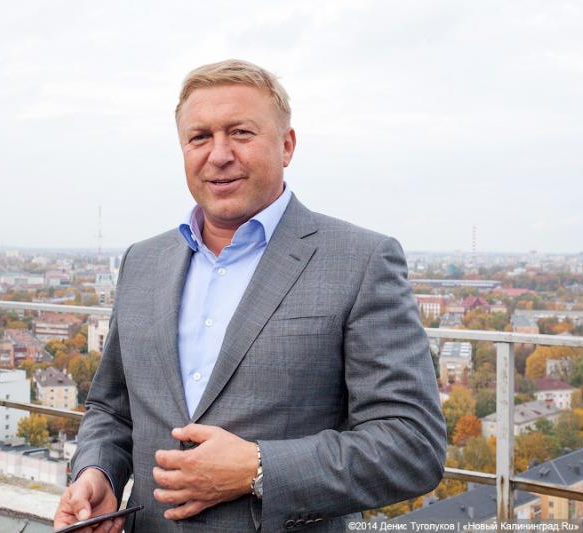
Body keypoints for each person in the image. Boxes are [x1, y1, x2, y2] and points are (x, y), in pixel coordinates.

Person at [53, 59, 446, 532]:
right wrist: (97, 472)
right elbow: (111, 409)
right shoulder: (143, 262)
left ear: (287, 145)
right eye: (200, 137)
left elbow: (412, 445)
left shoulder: (360, 261)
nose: (218, 155)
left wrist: (258, 469)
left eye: (240, 132)